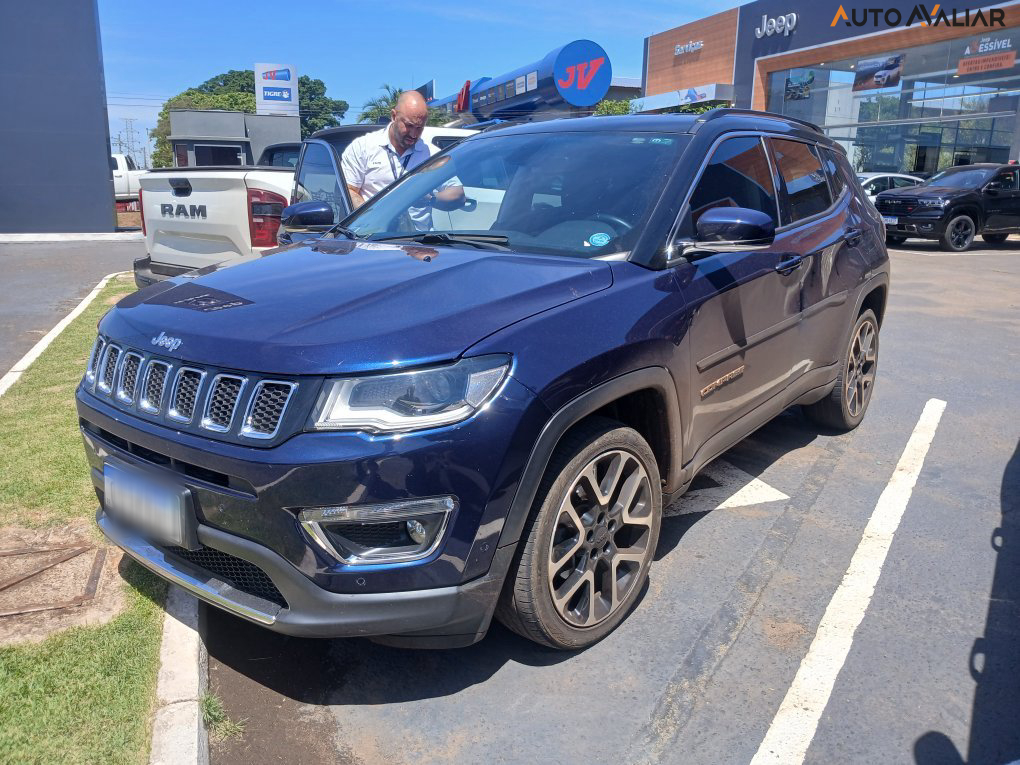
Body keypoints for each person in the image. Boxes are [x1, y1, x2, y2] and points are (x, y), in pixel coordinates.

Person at [341, 91, 463, 229]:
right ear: (394, 116)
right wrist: (372, 221)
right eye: (409, 126)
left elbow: (458, 195)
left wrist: (430, 200)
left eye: (419, 128)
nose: (414, 134)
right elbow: (349, 191)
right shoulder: (363, 147)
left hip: (417, 242)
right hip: (372, 239)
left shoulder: (432, 155)